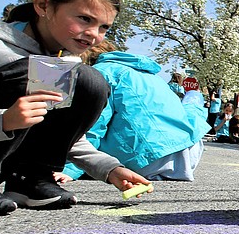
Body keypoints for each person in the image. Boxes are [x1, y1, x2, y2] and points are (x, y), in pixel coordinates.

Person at [0, 0, 150, 216]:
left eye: (104, 27)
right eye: (84, 19)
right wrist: (2, 120)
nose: (94, 34)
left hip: (2, 160)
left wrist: (109, 168)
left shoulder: (61, 60)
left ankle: (29, 178)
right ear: (43, 6)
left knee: (89, 81)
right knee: (45, 71)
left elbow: (59, 132)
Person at [59, 40, 209, 182]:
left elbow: (93, 126)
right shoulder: (145, 73)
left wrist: (70, 169)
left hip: (152, 160)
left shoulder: (101, 73)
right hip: (190, 151)